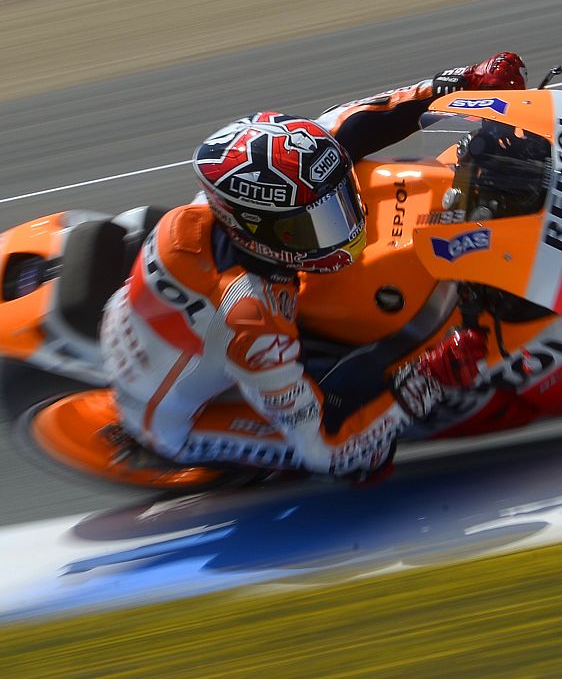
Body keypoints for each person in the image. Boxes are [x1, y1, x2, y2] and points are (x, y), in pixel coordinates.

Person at [99, 53, 528, 481]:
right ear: (256, 231)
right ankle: (164, 449)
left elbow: (358, 122)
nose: (344, 227)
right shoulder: (251, 319)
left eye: (340, 204)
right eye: (314, 225)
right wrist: (426, 380)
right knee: (366, 459)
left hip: (171, 327)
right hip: (176, 419)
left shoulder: (270, 182)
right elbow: (326, 448)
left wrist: (461, 82)